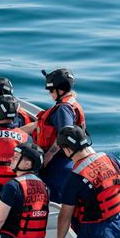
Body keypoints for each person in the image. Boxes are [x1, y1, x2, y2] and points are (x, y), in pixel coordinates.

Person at [21, 68, 85, 203]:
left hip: (59, 163)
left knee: (52, 199)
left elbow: (65, 136)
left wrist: (48, 156)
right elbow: (36, 125)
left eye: (51, 90)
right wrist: (15, 131)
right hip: (67, 160)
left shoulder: (63, 109)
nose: (50, 94)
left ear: (60, 90)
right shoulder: (71, 104)